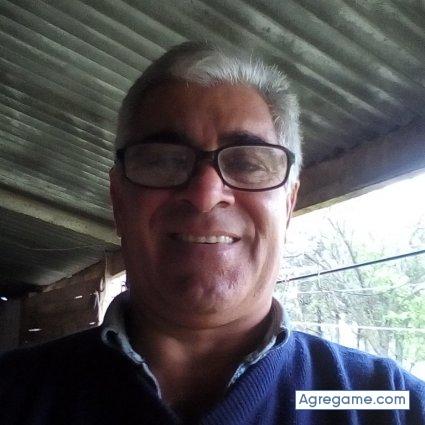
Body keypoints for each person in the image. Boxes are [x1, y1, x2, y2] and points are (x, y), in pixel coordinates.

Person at [0, 41, 424, 425]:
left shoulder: (389, 404)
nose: (205, 195)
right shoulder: (12, 394)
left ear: (289, 204)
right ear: (118, 200)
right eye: (165, 160)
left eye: (248, 163)